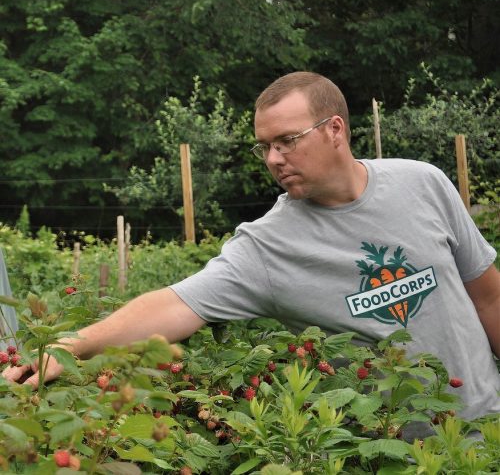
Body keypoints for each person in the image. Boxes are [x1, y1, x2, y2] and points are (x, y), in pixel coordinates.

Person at [3, 72, 499, 423]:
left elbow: (488, 296)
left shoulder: (424, 183)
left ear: (335, 129)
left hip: (490, 422)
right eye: (264, 146)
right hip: (392, 448)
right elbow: (176, 304)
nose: (274, 158)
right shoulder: (267, 246)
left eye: (287, 140)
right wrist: (67, 348)